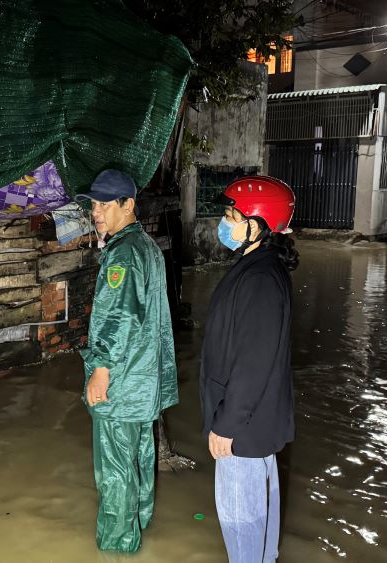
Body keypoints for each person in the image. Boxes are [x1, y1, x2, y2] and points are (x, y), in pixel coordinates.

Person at [76, 169, 179, 553]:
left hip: (121, 385)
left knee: (116, 471)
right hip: (143, 383)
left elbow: (118, 317)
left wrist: (100, 371)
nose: (96, 212)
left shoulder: (123, 254)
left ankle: (117, 547)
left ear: (128, 204)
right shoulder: (148, 248)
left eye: (104, 204)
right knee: (139, 457)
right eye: (93, 204)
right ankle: (140, 526)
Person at [201, 176, 298, 563]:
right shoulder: (259, 267)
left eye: (230, 215)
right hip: (254, 428)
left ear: (256, 226)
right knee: (260, 534)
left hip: (242, 431)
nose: (223, 224)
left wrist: (226, 426)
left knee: (243, 531)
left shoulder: (260, 278)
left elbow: (254, 360)